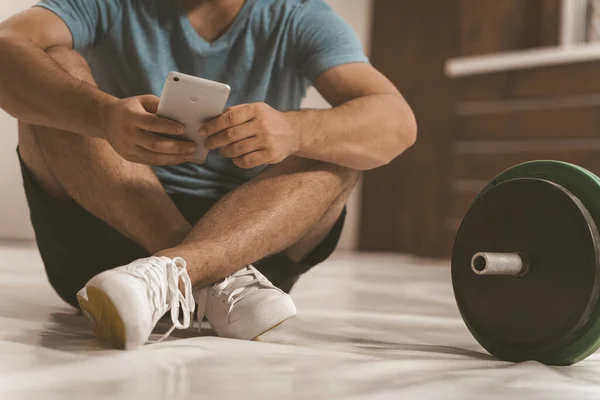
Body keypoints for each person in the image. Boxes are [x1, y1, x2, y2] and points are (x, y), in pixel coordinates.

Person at [0, 0, 417, 350]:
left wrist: (294, 131)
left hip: (252, 241)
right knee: (54, 68)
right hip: (128, 244)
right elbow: (6, 47)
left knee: (344, 139)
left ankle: (176, 272)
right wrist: (102, 115)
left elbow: (397, 122)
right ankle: (202, 277)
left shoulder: (298, 14)